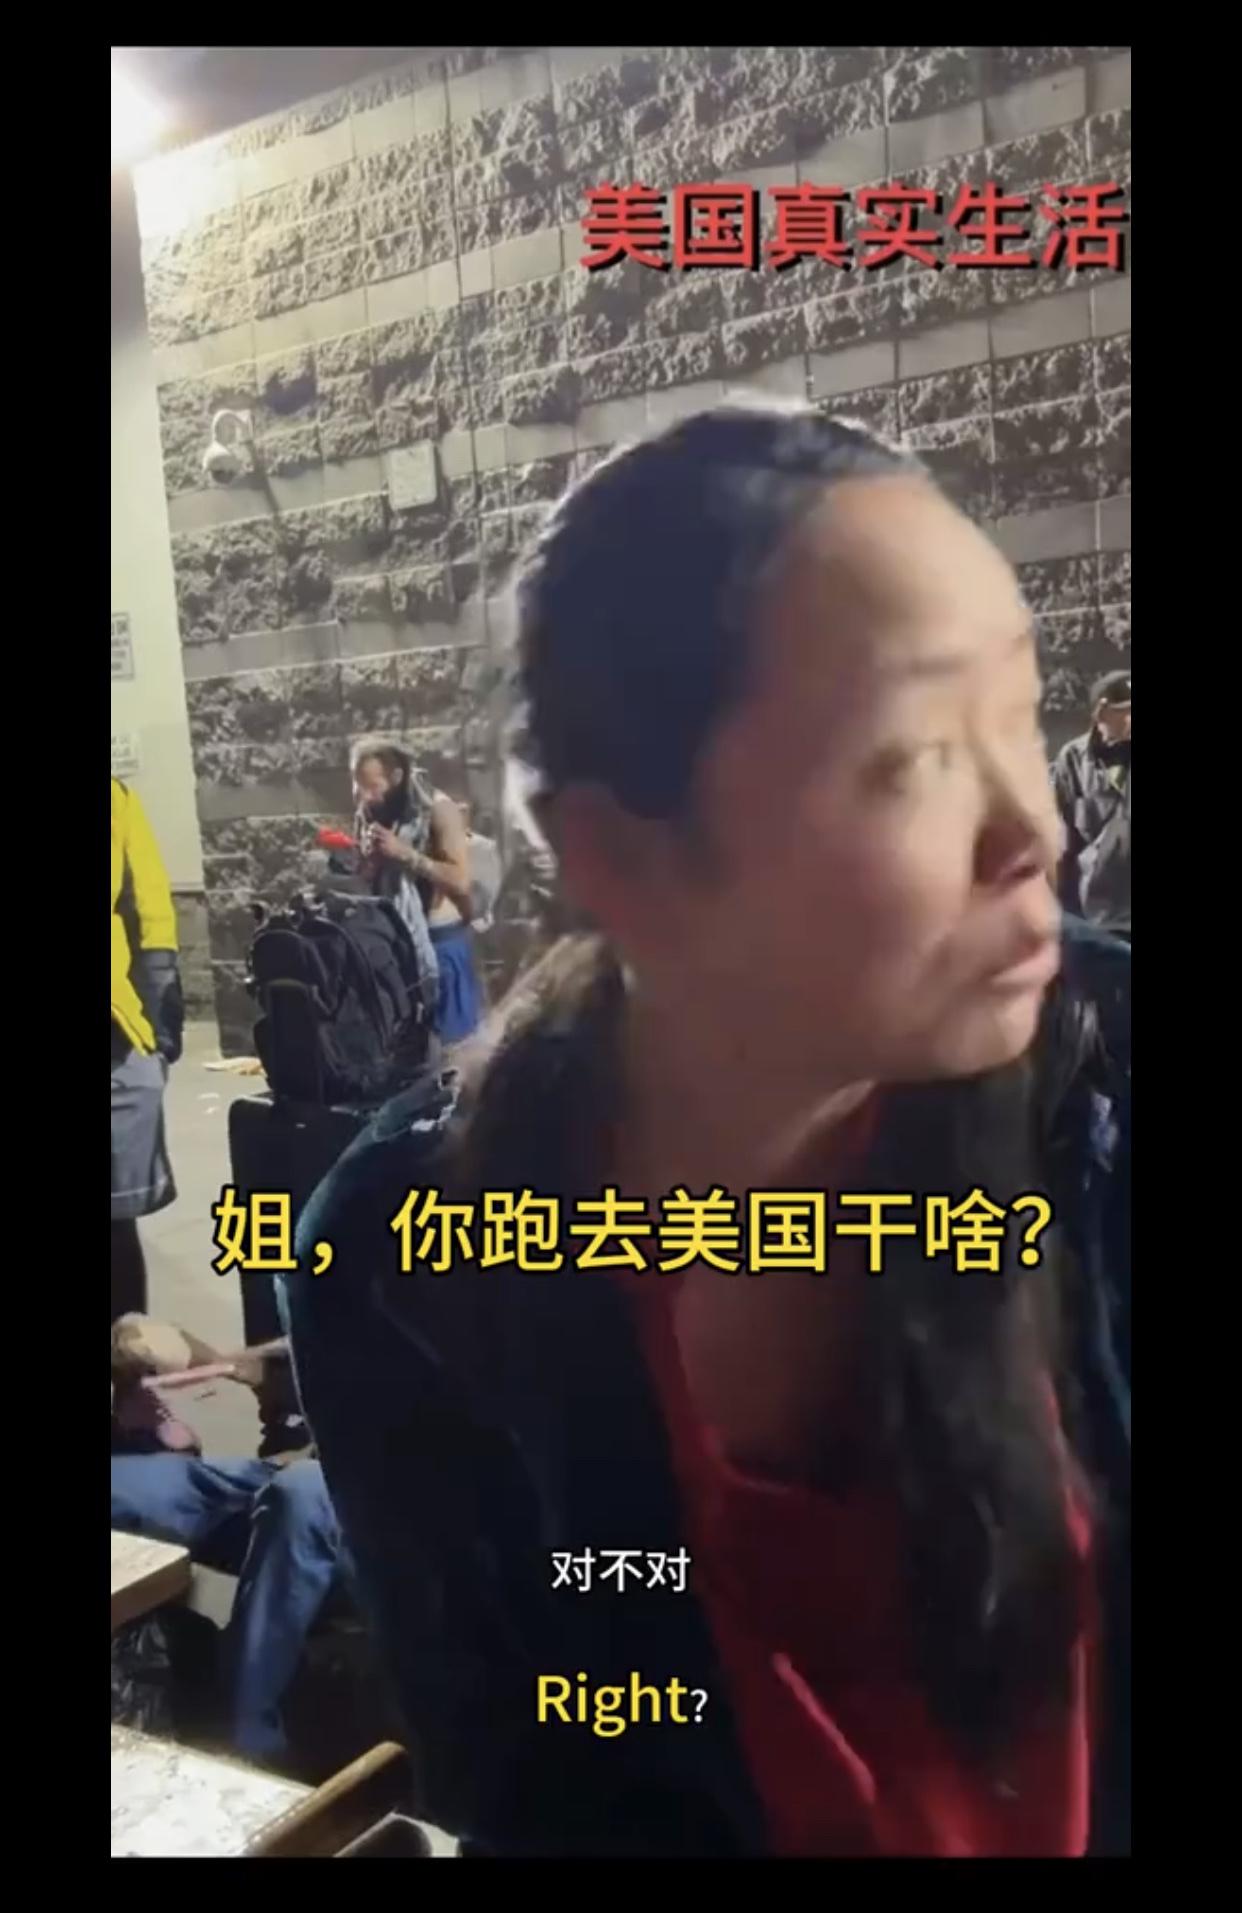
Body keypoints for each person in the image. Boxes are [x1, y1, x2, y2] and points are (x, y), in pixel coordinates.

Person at [287, 408, 1131, 1857]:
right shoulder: (406, 1263)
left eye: (1018, 720)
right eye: (914, 756)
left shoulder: (1100, 1093)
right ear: (620, 853)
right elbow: (536, 1771)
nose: (1034, 837)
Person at [110, 1331, 344, 1763]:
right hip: (282, 1472)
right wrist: (167, 1349)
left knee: (303, 1489)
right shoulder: (343, 1306)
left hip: (388, 1514)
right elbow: (259, 1362)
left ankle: (247, 1743)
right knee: (120, 1488)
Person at [350, 741, 483, 1045]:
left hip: (441, 945)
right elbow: (363, 879)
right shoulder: (368, 812)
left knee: (455, 1051)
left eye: (373, 787)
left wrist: (405, 854)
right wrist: (371, 862)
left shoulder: (438, 810)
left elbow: (460, 881)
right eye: (358, 787)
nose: (365, 796)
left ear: (396, 778)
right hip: (394, 946)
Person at [111, 777, 184, 1325]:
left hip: (116, 1038)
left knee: (116, 1221)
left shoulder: (117, 801)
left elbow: (152, 912)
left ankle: (129, 1361)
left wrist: (157, 1029)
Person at [1051, 672, 1131, 942]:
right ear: (1101, 713)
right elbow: (1060, 841)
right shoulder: (1073, 759)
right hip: (1097, 916)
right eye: (1124, 711)